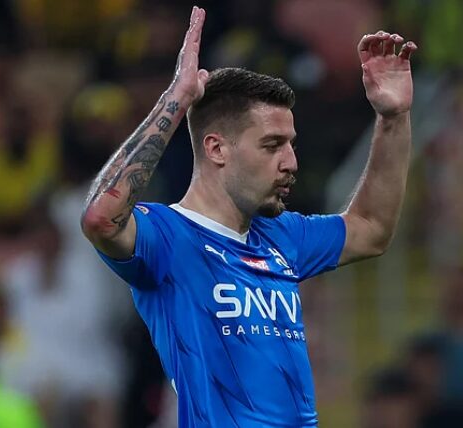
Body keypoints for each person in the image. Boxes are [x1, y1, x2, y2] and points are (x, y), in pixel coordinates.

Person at [81, 6, 416, 427]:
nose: (291, 162)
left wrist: (393, 118)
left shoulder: (283, 236)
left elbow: (371, 229)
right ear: (217, 149)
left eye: (291, 144)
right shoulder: (168, 236)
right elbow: (102, 218)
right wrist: (175, 101)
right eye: (272, 145)